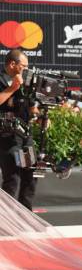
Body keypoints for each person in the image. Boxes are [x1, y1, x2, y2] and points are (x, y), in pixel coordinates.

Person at [0, 49, 37, 210]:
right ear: (13, 64)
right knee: (12, 177)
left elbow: (30, 105)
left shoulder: (26, 82)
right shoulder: (2, 79)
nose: (26, 69)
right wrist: (12, 88)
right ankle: (7, 219)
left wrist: (36, 112)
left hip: (25, 134)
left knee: (30, 174)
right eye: (24, 66)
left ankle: (26, 215)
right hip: (7, 135)